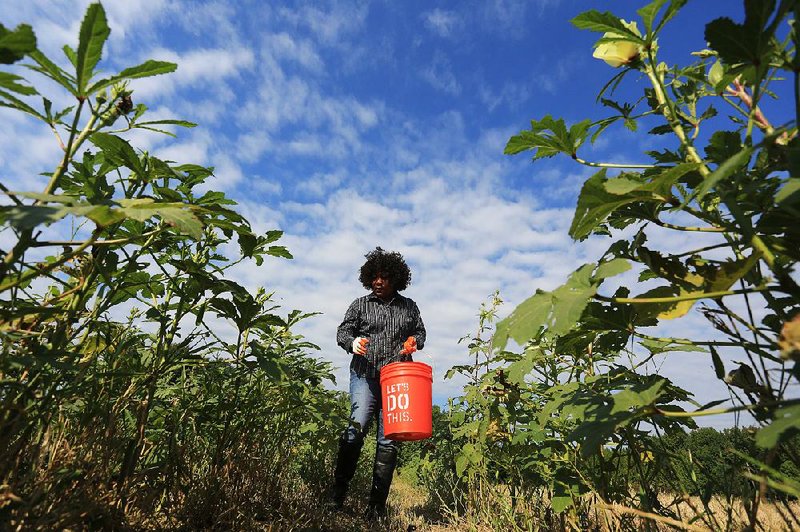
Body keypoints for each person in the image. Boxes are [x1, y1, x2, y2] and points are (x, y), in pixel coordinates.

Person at [331, 247, 426, 519]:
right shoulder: (360, 304)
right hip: (364, 375)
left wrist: (414, 342)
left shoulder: (409, 307)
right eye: (374, 277)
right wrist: (352, 342)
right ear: (368, 278)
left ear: (397, 279)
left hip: (397, 381)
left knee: (388, 441)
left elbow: (420, 332)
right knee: (355, 429)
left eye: (384, 277)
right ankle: (337, 496)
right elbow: (343, 331)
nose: (378, 282)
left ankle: (375, 508)